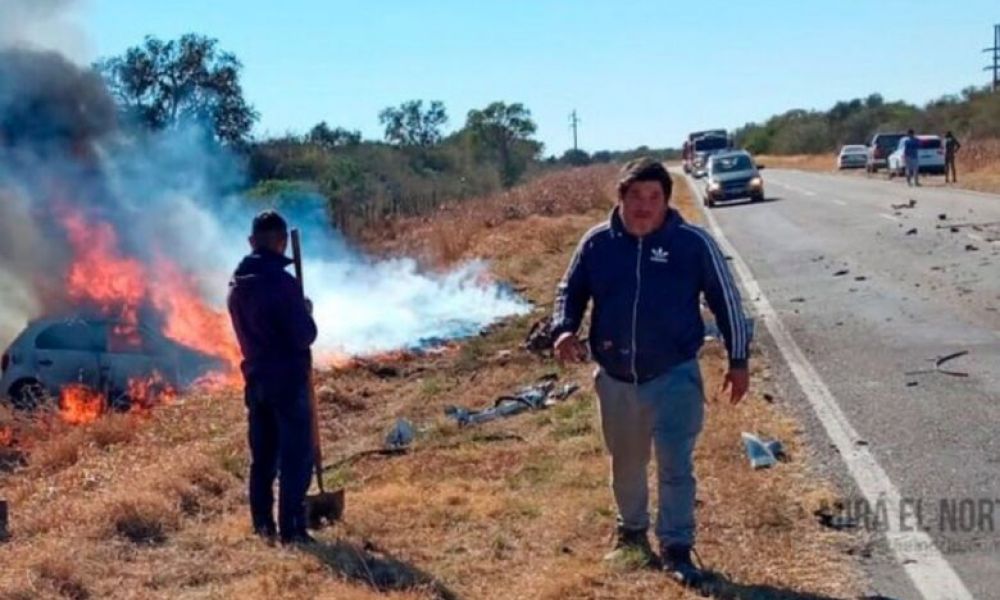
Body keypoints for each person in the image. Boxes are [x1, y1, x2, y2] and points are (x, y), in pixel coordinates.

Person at [552, 158, 750, 587]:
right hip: (616, 377)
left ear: (666, 200)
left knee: (676, 463)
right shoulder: (597, 243)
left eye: (653, 197)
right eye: (635, 196)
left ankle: (677, 547)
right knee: (627, 462)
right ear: (621, 197)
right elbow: (570, 290)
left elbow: (727, 300)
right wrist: (564, 328)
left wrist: (738, 360)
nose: (644, 205)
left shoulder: (692, 244)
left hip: (675, 374)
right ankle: (632, 532)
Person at [228, 210, 318, 545]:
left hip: (256, 378)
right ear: (281, 244)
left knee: (263, 457)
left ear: (252, 242)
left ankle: (263, 525)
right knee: (296, 455)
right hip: (287, 379)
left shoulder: (236, 285)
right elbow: (302, 336)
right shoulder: (283, 284)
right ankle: (292, 530)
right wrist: (306, 313)